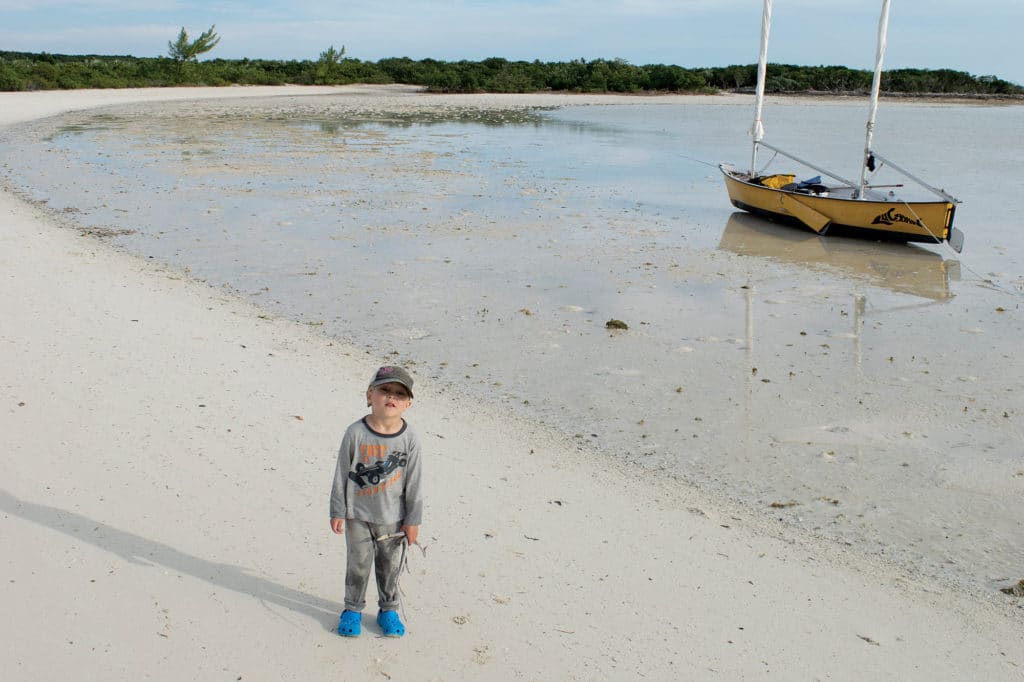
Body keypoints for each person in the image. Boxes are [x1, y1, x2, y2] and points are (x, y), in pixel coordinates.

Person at [330, 366, 423, 638]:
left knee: (389, 567)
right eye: (385, 390)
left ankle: (389, 609)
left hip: (393, 518)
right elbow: (341, 474)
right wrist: (338, 510)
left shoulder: (409, 439)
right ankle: (353, 608)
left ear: (407, 404)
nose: (391, 396)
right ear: (370, 395)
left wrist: (413, 520)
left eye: (399, 393)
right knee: (357, 565)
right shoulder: (355, 433)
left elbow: (414, 483)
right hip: (357, 514)